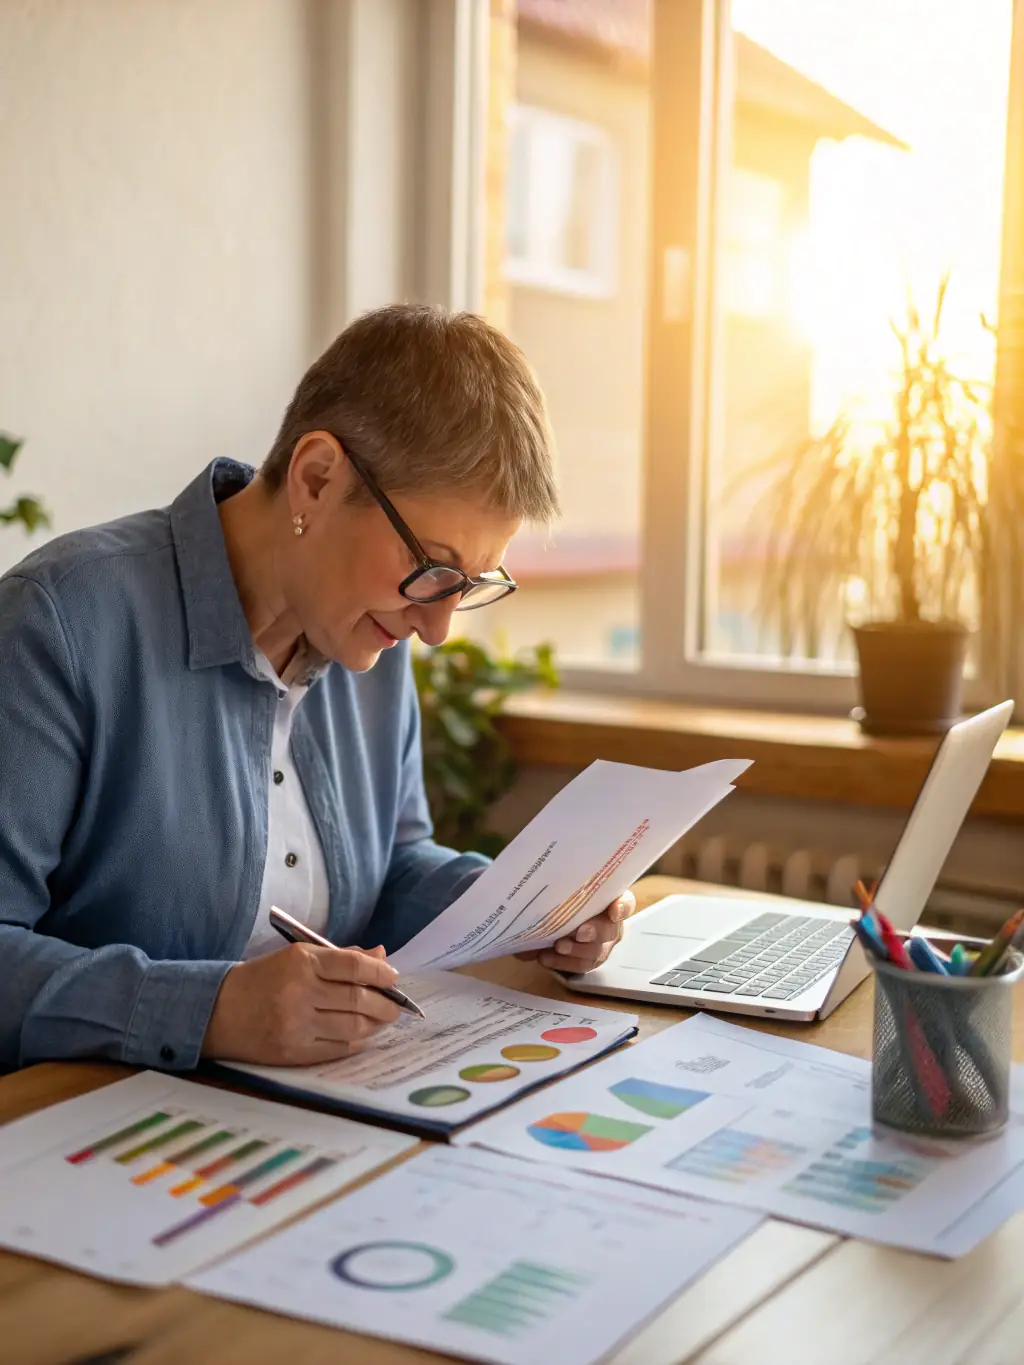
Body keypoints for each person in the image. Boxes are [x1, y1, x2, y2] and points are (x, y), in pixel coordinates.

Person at [0, 304, 637, 1072]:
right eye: (432, 569)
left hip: (316, 1113)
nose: (436, 628)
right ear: (316, 478)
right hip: (85, 1134)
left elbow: (394, 865)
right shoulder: (61, 622)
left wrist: (530, 910)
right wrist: (207, 1012)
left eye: (466, 584)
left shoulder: (372, 630)